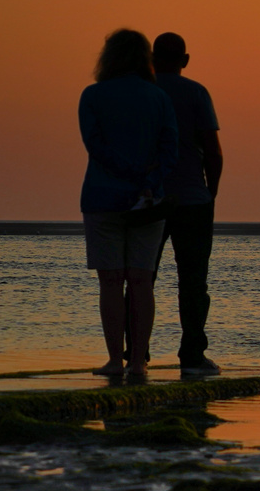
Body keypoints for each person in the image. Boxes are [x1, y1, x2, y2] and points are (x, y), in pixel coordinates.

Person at [78, 28, 178, 379]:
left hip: (103, 197)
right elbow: (170, 150)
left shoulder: (92, 96)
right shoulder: (158, 97)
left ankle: (114, 360)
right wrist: (147, 181)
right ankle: (138, 360)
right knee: (140, 280)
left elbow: (96, 146)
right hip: (148, 201)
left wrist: (128, 173)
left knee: (110, 281)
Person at [152, 32, 223, 375]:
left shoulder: (142, 93)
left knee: (140, 277)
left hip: (148, 199)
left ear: (152, 58)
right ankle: (192, 355)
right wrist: (212, 190)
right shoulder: (196, 92)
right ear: (185, 60)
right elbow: (212, 150)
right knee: (194, 282)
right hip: (194, 199)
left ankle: (134, 351)